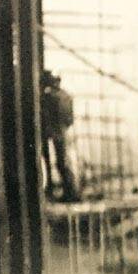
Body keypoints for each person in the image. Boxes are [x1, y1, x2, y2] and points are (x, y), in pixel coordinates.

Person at [40, 70, 80, 202]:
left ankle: (68, 193)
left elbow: (45, 115)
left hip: (53, 131)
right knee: (63, 162)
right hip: (62, 131)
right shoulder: (66, 96)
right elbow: (70, 119)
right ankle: (71, 191)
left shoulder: (50, 96)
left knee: (56, 162)